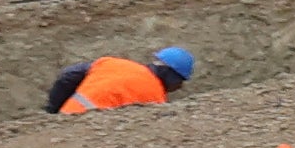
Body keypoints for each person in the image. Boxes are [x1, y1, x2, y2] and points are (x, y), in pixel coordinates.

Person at [43, 44, 194, 115]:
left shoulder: (113, 63)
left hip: (64, 120)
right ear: (172, 76)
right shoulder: (156, 100)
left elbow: (67, 76)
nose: (178, 88)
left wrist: (53, 112)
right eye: (179, 83)